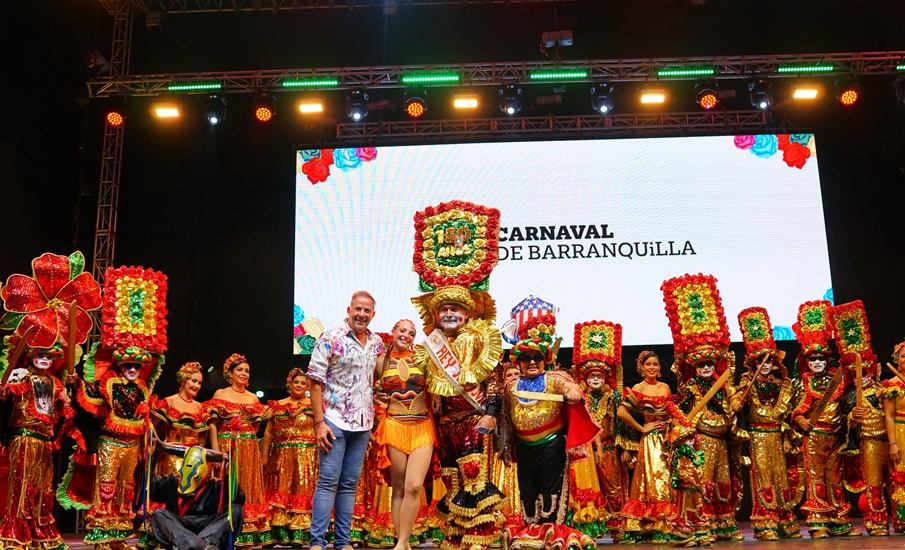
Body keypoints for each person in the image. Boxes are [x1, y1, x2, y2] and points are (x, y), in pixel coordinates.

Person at [410, 201, 505, 550]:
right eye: (444, 309)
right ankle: (456, 533)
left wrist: (492, 414)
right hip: (443, 422)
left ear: (467, 311)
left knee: (473, 475)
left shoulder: (481, 335)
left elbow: (493, 379)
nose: (449, 313)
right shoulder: (429, 346)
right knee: (451, 477)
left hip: (473, 417)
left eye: (455, 308)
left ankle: (480, 536)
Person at [57, 265, 168, 550]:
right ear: (120, 364)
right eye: (128, 365)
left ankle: (119, 535)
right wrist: (75, 381)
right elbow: (89, 396)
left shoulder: (142, 387)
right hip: (110, 442)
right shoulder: (109, 382)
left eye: (136, 366)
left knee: (125, 488)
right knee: (105, 486)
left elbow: (144, 412)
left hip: (132, 444)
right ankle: (101, 536)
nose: (132, 369)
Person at [0, 251, 102, 550]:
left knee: (42, 487)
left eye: (49, 355)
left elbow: (67, 410)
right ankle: (15, 533)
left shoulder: (55, 383)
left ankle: (40, 532)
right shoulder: (20, 376)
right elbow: (7, 398)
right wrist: (4, 393)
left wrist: (73, 387)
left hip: (45, 441)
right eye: (40, 354)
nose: (44, 359)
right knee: (20, 488)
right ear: (31, 355)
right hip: (23, 438)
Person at [501, 314, 597, 550]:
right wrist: (504, 447)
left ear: (545, 361)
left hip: (552, 444)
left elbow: (572, 388)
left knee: (549, 492)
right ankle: (531, 533)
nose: (532, 362)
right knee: (528, 492)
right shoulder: (511, 387)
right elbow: (505, 419)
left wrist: (575, 393)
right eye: (526, 359)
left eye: (537, 358)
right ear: (518, 363)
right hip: (524, 447)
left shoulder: (556, 379)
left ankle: (552, 533)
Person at [662, 273, 744, 543]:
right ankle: (702, 525)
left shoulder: (723, 385)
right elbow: (678, 410)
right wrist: (684, 428)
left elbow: (729, 409)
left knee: (723, 482)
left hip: (721, 439)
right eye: (701, 365)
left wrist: (735, 405)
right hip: (702, 440)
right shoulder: (690, 387)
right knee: (703, 483)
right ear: (694, 367)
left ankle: (724, 524)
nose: (707, 368)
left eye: (710, 364)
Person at [307, 291, 385, 550]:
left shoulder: (376, 343)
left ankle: (342, 543)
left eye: (367, 311)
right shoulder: (331, 338)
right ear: (349, 310)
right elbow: (314, 381)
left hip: (363, 424)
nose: (362, 314)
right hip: (334, 421)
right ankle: (317, 542)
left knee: (349, 485)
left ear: (373, 314)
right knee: (328, 482)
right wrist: (319, 423)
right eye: (358, 309)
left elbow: (383, 376)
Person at [790, 299, 860, 538]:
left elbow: (848, 403)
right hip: (814, 436)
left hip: (836, 436)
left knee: (836, 478)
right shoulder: (801, 382)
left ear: (826, 359)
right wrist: (801, 422)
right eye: (812, 359)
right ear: (806, 362)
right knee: (816, 478)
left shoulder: (838, 378)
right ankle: (819, 523)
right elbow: (795, 411)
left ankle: (840, 522)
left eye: (821, 358)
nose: (817, 362)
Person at [730, 307, 802, 541]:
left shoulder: (783, 385)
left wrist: (786, 438)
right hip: (758, 436)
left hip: (776, 436)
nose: (766, 364)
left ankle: (785, 522)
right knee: (763, 477)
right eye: (761, 360)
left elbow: (786, 415)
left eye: (769, 360)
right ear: (753, 362)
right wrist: (737, 403)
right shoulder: (746, 383)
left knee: (781, 477)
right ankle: (766, 523)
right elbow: (735, 404)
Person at [373, 319, 436, 550]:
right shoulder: (381, 361)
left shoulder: (422, 358)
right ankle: (404, 543)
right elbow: (365, 388)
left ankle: (400, 544)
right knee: (398, 488)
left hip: (422, 427)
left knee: (414, 487)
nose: (406, 336)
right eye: (402, 331)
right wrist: (376, 397)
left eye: (411, 333)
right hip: (394, 426)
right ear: (393, 332)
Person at [615, 351, 688, 544]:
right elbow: (621, 412)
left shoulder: (665, 387)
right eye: (648, 364)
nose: (652, 367)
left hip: (667, 439)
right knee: (655, 481)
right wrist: (642, 427)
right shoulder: (638, 388)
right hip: (650, 441)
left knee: (668, 479)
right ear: (641, 367)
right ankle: (657, 525)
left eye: (655, 364)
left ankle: (663, 523)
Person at [834, 301, 889, 536]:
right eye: (856, 374)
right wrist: (851, 420)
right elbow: (841, 423)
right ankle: (876, 521)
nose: (862, 378)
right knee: (874, 482)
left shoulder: (886, 389)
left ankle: (901, 518)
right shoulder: (849, 396)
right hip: (869, 442)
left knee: (897, 480)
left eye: (865, 372)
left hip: (892, 440)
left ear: (872, 370)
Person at [206, 354, 272, 547]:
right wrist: (216, 449)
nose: (244, 373)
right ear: (230, 373)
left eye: (247, 370)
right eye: (240, 370)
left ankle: (248, 531)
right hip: (227, 444)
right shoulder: (221, 394)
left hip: (249, 446)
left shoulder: (252, 397)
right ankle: (223, 529)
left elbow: (256, 427)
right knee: (227, 485)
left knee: (247, 485)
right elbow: (212, 424)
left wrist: (252, 446)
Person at [570, 320, 626, 539]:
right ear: (584, 378)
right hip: (583, 450)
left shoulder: (612, 397)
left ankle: (617, 527)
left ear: (605, 378)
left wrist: (626, 446)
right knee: (584, 490)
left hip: (609, 447)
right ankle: (586, 528)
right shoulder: (579, 397)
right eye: (591, 376)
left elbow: (620, 423)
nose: (595, 379)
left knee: (613, 487)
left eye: (599, 376)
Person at [148, 442, 244, 550]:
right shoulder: (172, 482)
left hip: (208, 526)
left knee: (235, 509)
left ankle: (199, 545)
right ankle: (202, 547)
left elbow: (237, 499)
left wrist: (229, 474)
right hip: (180, 525)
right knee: (159, 514)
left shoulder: (216, 487)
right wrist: (150, 458)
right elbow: (150, 488)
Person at [262, 369, 318, 545]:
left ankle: (300, 534)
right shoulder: (278, 405)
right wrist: (264, 456)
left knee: (303, 491)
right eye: (297, 382)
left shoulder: (315, 405)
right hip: (281, 456)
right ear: (290, 384)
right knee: (280, 490)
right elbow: (269, 432)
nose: (300, 385)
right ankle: (278, 533)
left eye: (303, 383)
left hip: (307, 457)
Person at [150, 362, 209, 477]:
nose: (197, 386)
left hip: (193, 460)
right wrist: (160, 443)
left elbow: (203, 438)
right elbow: (150, 425)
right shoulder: (170, 402)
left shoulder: (200, 407)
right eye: (193, 381)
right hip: (171, 458)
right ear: (183, 380)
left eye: (200, 383)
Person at [882, 338, 905, 533]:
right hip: (901, 431)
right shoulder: (892, 385)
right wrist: (893, 443)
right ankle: (902, 520)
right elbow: (889, 417)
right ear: (897, 359)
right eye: (903, 356)